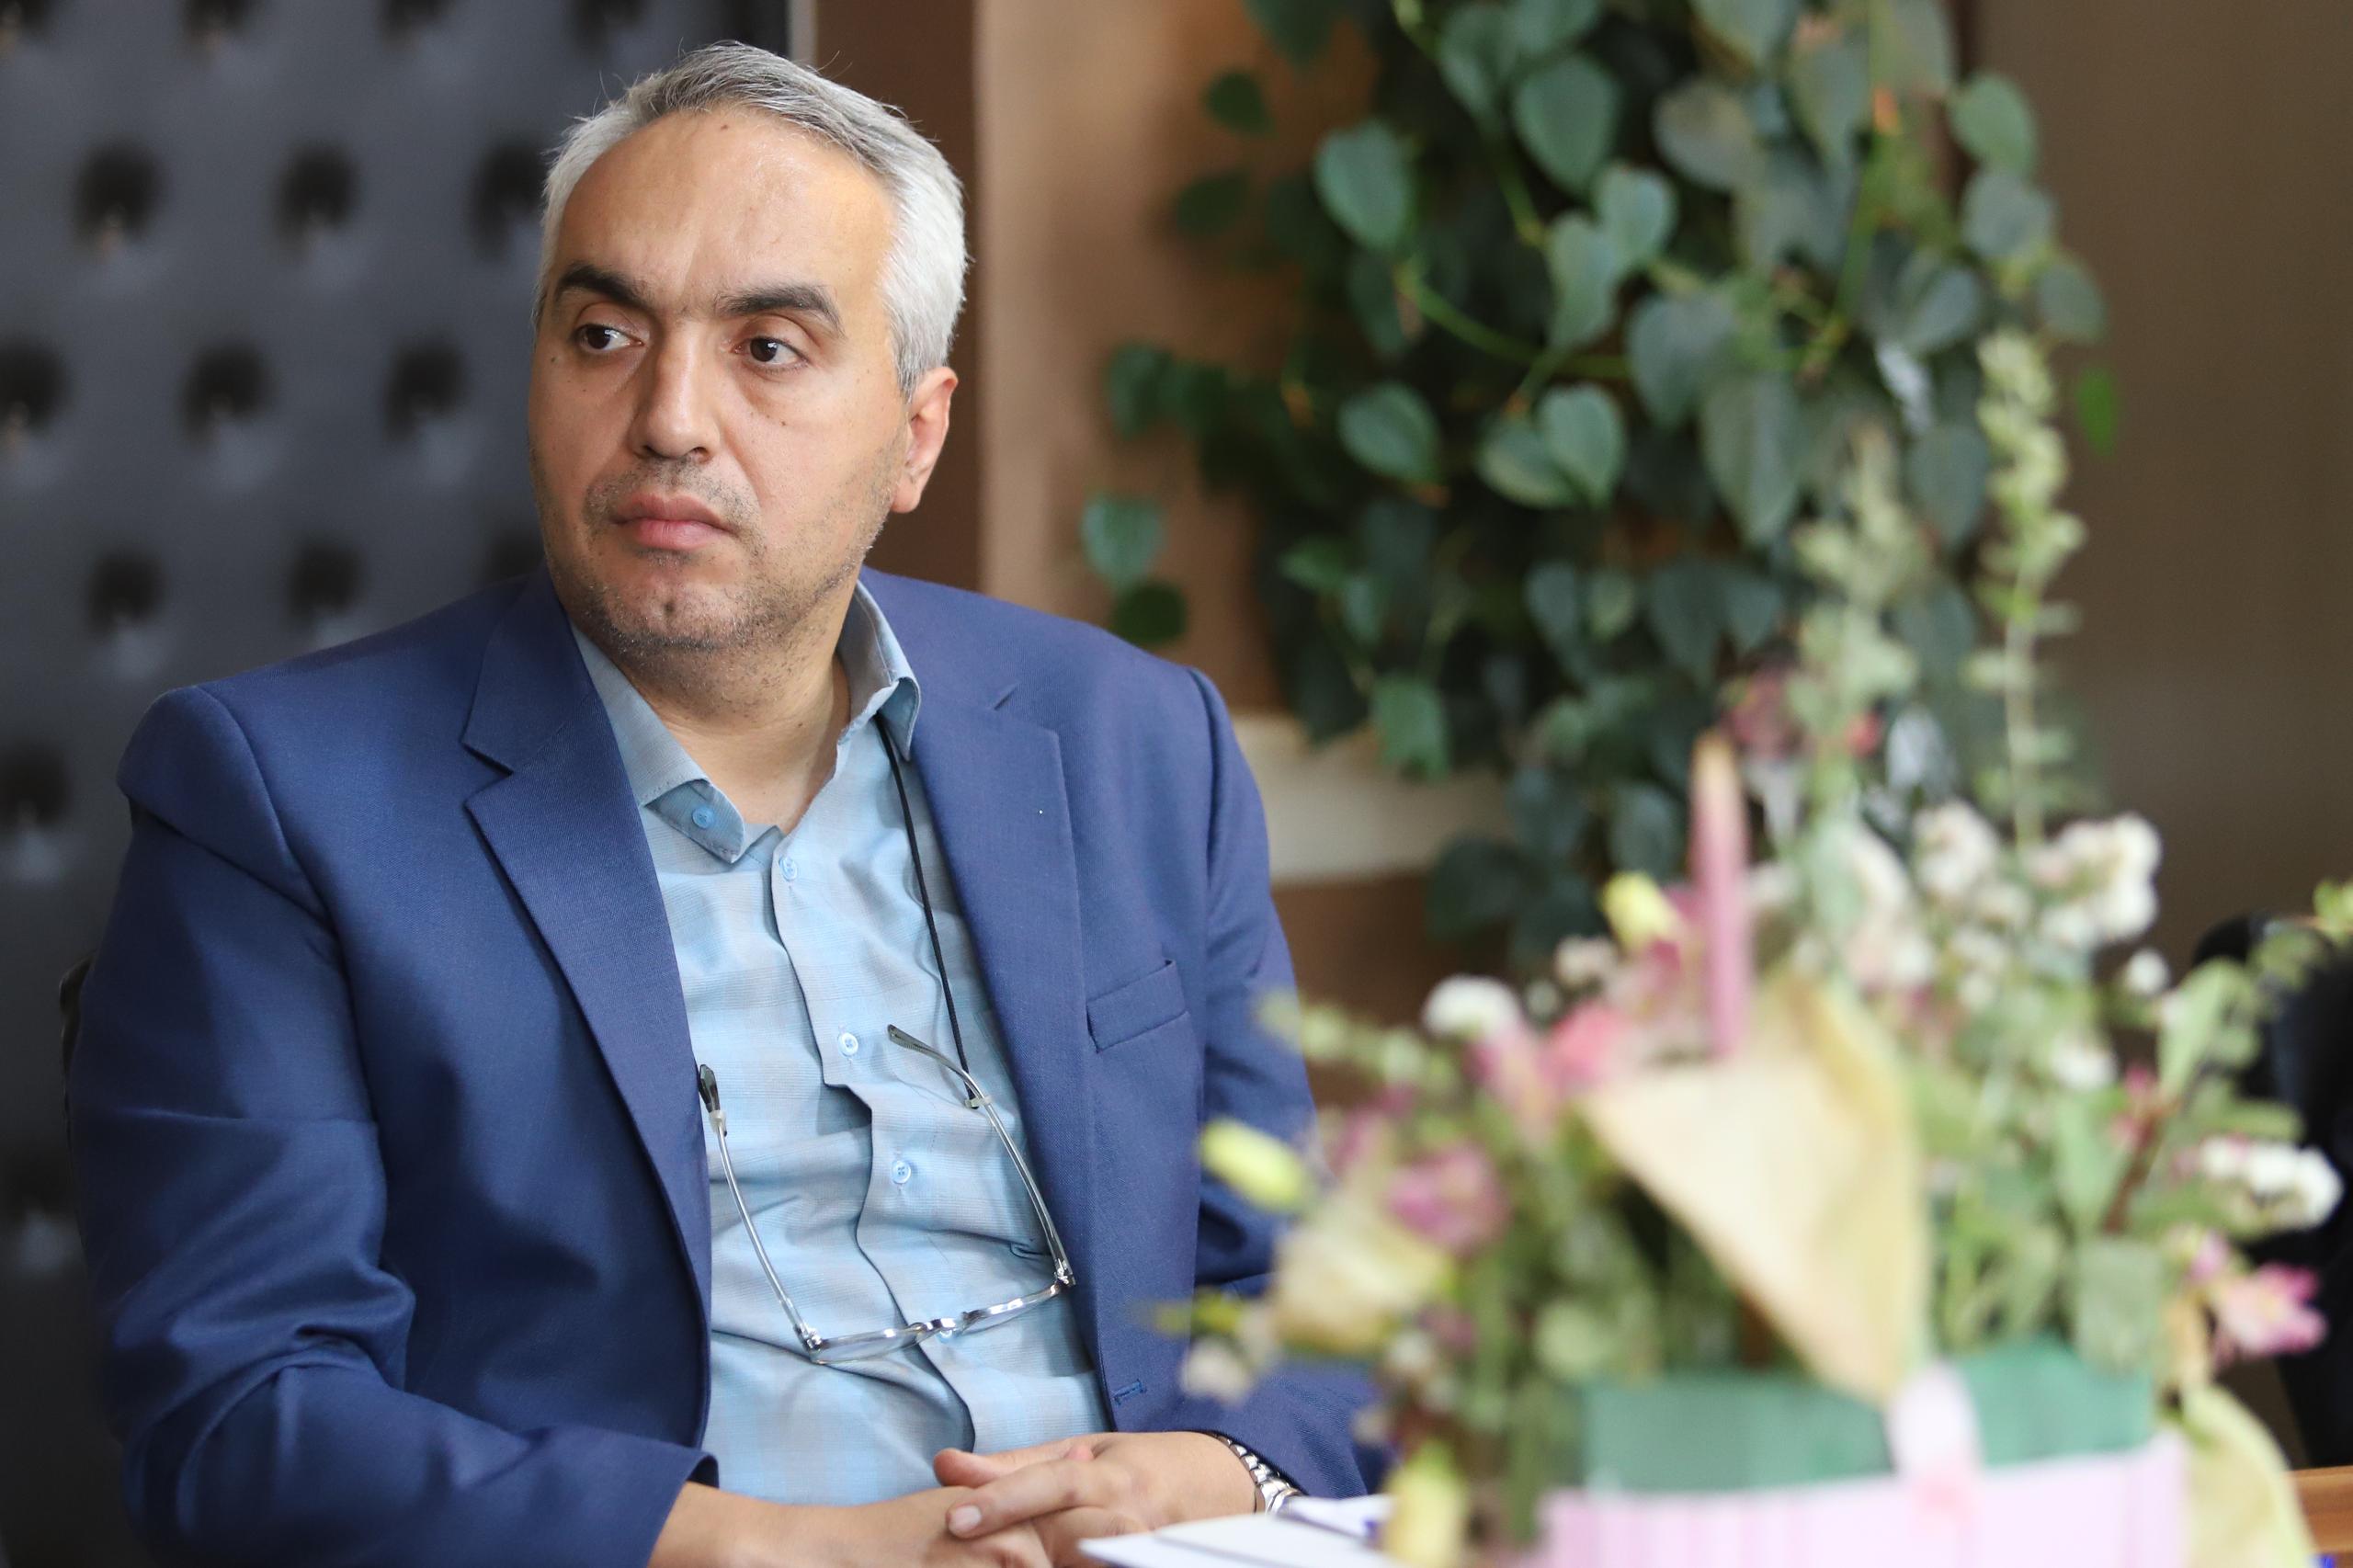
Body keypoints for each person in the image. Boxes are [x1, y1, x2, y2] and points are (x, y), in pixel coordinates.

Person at [67, 42, 1366, 1568]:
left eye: (768, 347)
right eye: (603, 334)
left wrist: (1219, 1472)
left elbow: (1316, 1291)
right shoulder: (277, 797)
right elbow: (242, 1414)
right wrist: (790, 1548)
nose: (670, 418)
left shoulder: (1133, 741)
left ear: (917, 433)